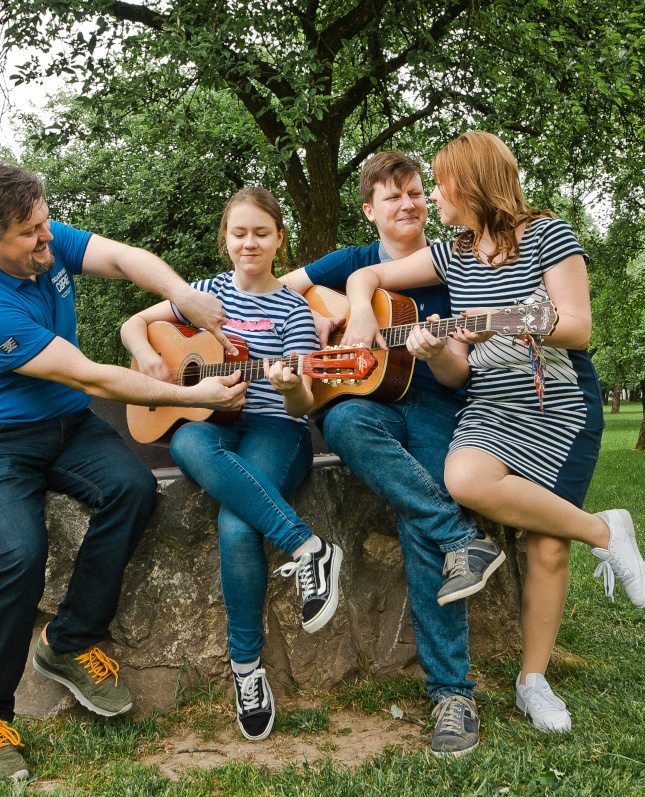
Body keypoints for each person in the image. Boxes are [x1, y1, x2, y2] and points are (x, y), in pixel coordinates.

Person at [0, 162, 248, 782]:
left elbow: (129, 259)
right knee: (21, 553)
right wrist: (197, 398)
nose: (47, 240)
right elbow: (90, 375)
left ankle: (70, 642)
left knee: (132, 489)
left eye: (45, 220)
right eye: (28, 233)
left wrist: (183, 294)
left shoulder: (44, 242)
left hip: (66, 426)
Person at [342, 132, 645, 735]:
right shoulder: (451, 253)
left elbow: (579, 327)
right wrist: (428, 349)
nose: (433, 195)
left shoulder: (549, 234)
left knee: (546, 542)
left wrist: (504, 322)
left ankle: (532, 682)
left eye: (439, 182)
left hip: (555, 399)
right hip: (489, 399)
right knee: (463, 478)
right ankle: (604, 529)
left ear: (471, 183)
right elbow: (374, 280)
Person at [279, 151, 500, 756]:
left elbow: (458, 379)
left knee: (417, 520)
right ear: (370, 208)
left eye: (415, 193)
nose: (407, 204)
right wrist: (325, 323)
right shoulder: (351, 263)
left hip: (435, 403)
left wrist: (436, 353)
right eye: (392, 196)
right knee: (344, 418)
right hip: (367, 403)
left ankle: (452, 693)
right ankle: (461, 534)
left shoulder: (457, 264)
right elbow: (274, 295)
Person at [121, 187, 343, 743]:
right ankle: (308, 547)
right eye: (239, 232)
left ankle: (246, 671)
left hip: (277, 430)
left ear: (279, 240)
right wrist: (150, 358)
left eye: (261, 233)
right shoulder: (201, 295)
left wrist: (289, 387)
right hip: (216, 429)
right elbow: (133, 325)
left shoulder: (292, 309)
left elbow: (306, 404)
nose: (249, 242)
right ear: (225, 239)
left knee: (237, 523)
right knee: (185, 444)